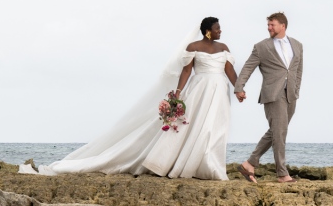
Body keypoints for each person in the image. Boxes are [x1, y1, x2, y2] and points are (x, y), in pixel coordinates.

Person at [19, 17, 238, 180]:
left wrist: (239, 88)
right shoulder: (194, 48)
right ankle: (186, 163)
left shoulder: (224, 48)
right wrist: (178, 92)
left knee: (215, 127)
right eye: (218, 28)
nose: (221, 30)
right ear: (208, 31)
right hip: (199, 89)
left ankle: (208, 163)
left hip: (219, 90)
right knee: (195, 126)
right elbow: (186, 72)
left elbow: (229, 71)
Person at [234, 12, 303, 184]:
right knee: (279, 132)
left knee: (276, 131)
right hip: (273, 94)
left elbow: (298, 71)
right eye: (268, 25)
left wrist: (296, 90)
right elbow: (248, 68)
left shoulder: (297, 45)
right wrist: (239, 88)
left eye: (272, 25)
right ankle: (282, 173)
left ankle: (249, 163)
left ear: (283, 26)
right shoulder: (261, 47)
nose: (269, 28)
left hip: (291, 94)